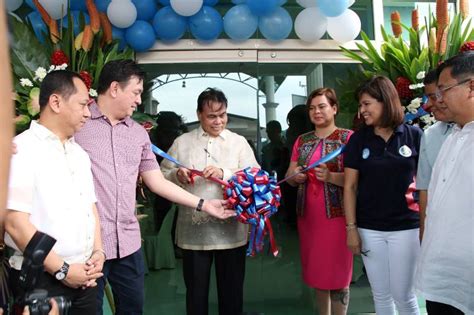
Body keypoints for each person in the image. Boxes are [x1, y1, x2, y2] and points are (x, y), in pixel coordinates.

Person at [73, 60, 235, 315]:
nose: (139, 101)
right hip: (87, 245)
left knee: (133, 309)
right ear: (115, 88)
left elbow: (156, 180)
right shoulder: (78, 125)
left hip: (127, 244)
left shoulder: (138, 134)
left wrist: (204, 205)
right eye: (136, 92)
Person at [4, 70, 105, 315]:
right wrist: (63, 270)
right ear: (56, 102)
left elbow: (89, 207)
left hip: (86, 277)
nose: (87, 113)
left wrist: (98, 253)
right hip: (41, 280)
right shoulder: (22, 150)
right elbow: (15, 222)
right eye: (82, 104)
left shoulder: (79, 154)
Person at [161, 87, 259, 315]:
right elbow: (162, 174)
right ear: (199, 115)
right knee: (196, 295)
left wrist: (225, 173)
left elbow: (256, 176)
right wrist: (177, 175)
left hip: (232, 230)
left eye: (222, 114)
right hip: (193, 232)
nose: (218, 121)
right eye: (211, 116)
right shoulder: (182, 142)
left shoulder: (239, 142)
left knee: (232, 294)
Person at [344, 76, 422, 315]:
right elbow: (350, 187)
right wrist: (351, 229)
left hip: (407, 228)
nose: (362, 111)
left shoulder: (415, 135)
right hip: (370, 229)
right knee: (381, 296)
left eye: (367, 104)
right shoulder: (358, 140)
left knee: (404, 296)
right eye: (361, 105)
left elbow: (427, 186)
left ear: (385, 101)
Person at [415, 51, 474, 315]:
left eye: (443, 90)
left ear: (471, 87)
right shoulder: (453, 136)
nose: (435, 101)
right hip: (442, 277)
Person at [285, 88, 353, 315]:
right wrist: (297, 177)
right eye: (312, 108)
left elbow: (359, 180)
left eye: (322, 106)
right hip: (309, 219)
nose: (317, 112)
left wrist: (331, 177)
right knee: (317, 275)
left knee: (339, 274)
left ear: (334, 108)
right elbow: (290, 177)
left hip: (338, 218)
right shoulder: (302, 141)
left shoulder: (348, 139)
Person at [416, 70, 454, 242]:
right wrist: (424, 232)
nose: (427, 105)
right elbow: (424, 187)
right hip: (440, 233)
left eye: (433, 97)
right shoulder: (430, 135)